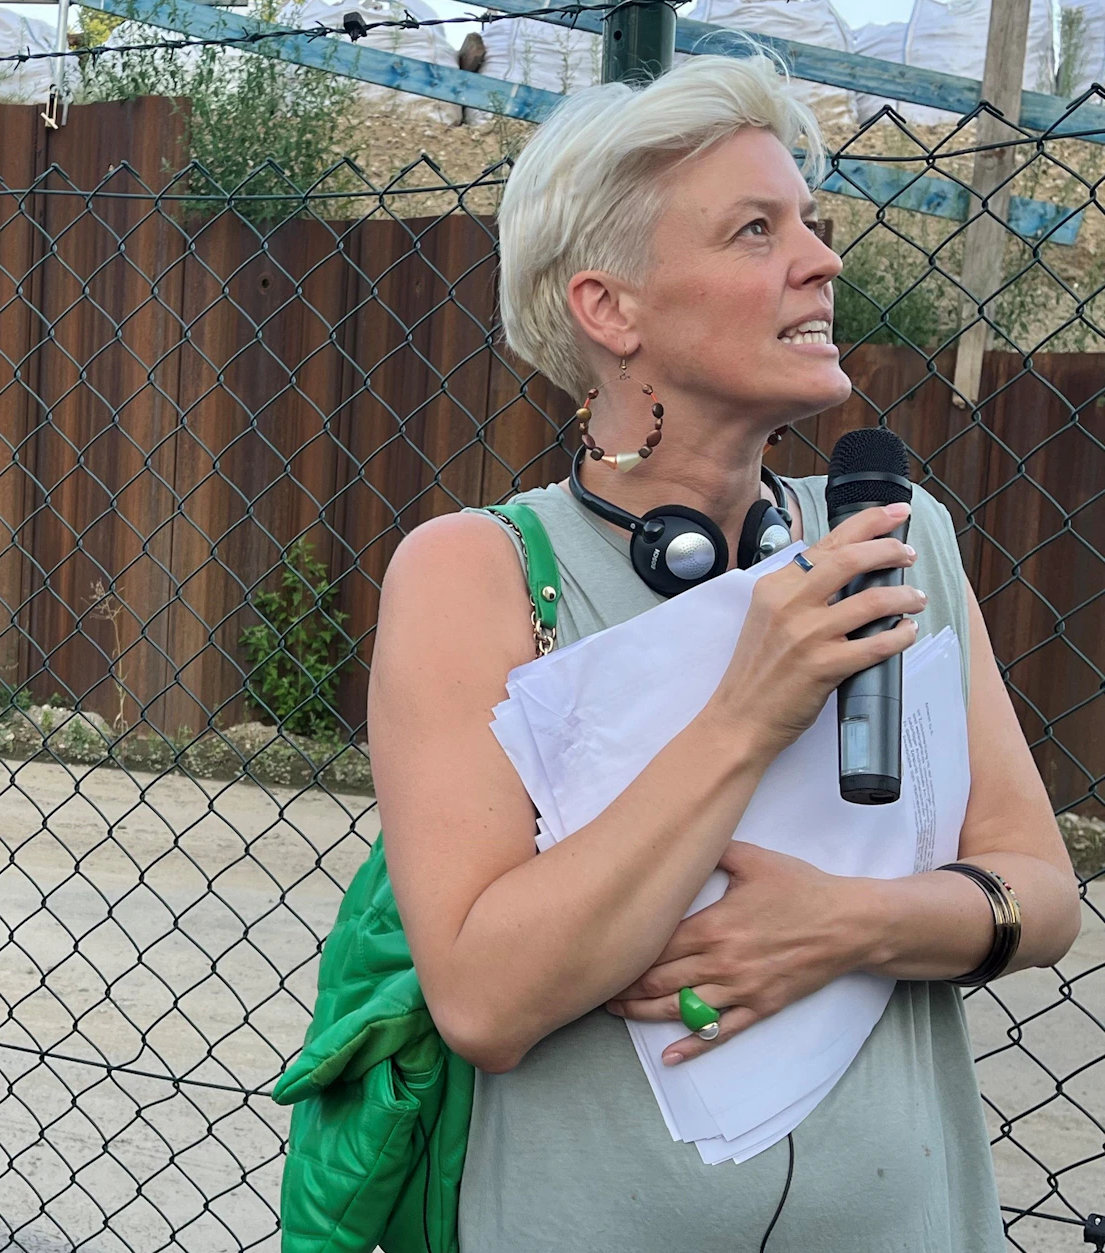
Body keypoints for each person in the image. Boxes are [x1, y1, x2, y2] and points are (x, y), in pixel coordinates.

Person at [367, 55, 1080, 1251]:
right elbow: (483, 996)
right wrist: (748, 710)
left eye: (812, 222)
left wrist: (847, 920)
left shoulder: (900, 541)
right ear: (610, 308)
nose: (822, 259)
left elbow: (1043, 893)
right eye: (756, 231)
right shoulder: (470, 573)